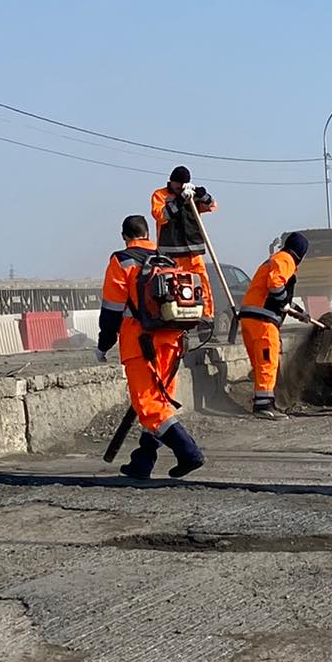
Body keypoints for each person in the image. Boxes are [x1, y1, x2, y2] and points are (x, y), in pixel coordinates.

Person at [96, 214, 205, 480]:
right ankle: (142, 462)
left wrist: (103, 345)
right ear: (147, 234)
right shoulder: (165, 259)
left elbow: (112, 310)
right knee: (160, 402)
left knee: (148, 406)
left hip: (140, 343)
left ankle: (188, 452)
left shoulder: (121, 261)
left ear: (124, 236)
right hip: (171, 341)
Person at [239, 232, 308, 419]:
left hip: (250, 317)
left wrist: (297, 310)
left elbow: (278, 294)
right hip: (263, 320)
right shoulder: (286, 259)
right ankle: (263, 407)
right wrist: (284, 301)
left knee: (261, 363)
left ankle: (262, 401)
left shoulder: (274, 260)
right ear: (301, 252)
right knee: (268, 362)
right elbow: (275, 285)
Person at [151, 165, 218, 333]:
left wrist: (203, 195)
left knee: (202, 284)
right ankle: (174, 322)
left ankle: (206, 321)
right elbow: (161, 216)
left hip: (193, 251)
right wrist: (179, 200)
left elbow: (212, 206)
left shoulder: (192, 195)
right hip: (170, 253)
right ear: (172, 181)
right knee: (173, 288)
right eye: (178, 184)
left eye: (183, 185)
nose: (180, 187)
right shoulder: (160, 195)